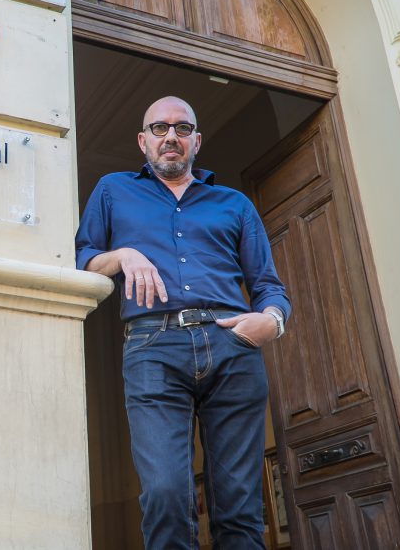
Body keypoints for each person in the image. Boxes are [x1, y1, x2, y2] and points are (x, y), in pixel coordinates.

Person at [75, 96, 291, 549]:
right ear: (143, 140)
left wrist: (272, 321)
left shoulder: (232, 204)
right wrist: (123, 254)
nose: (170, 136)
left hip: (233, 344)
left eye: (181, 128)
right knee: (166, 495)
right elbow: (83, 263)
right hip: (153, 347)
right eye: (158, 128)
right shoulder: (113, 191)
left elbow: (269, 285)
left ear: (196, 140)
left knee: (239, 505)